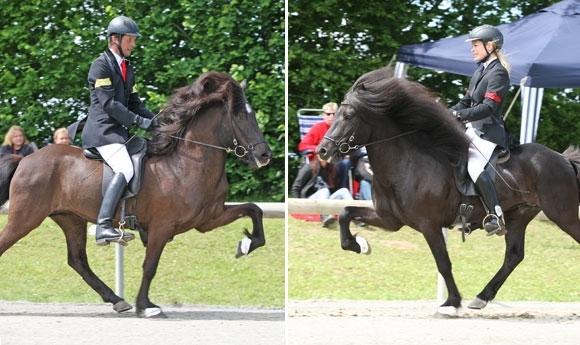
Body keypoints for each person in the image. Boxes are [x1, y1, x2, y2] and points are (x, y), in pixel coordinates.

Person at [81, 15, 157, 246]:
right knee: (124, 167)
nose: (133, 45)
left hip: (119, 133)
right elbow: (109, 105)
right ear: (115, 39)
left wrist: (155, 121)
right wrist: (138, 121)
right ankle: (104, 225)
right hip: (102, 132)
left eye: (134, 40)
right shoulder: (101, 65)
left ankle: (143, 220)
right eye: (130, 40)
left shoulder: (127, 67)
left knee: (149, 157)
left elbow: (134, 102)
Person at [450, 24, 511, 236]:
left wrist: (458, 116)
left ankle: (496, 215)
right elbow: (466, 101)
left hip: (488, 131)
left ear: (490, 46)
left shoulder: (499, 73)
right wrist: (445, 113)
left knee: (474, 165)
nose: (472, 49)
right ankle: (464, 210)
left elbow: (488, 108)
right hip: (471, 128)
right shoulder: (480, 72)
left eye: (476, 45)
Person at [298, 102, 351, 190]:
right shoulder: (317, 128)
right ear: (323, 115)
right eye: (328, 114)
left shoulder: (342, 129)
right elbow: (302, 146)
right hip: (320, 161)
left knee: (346, 162)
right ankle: (333, 190)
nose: (331, 116)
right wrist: (318, 149)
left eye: (334, 114)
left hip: (337, 159)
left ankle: (341, 189)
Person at [291, 155, 353, 228]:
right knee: (324, 190)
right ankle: (325, 216)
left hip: (325, 200)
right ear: (317, 155)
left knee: (344, 190)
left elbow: (334, 188)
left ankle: (356, 215)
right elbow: (296, 187)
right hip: (310, 201)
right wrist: (298, 205)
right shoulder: (309, 167)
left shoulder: (332, 169)